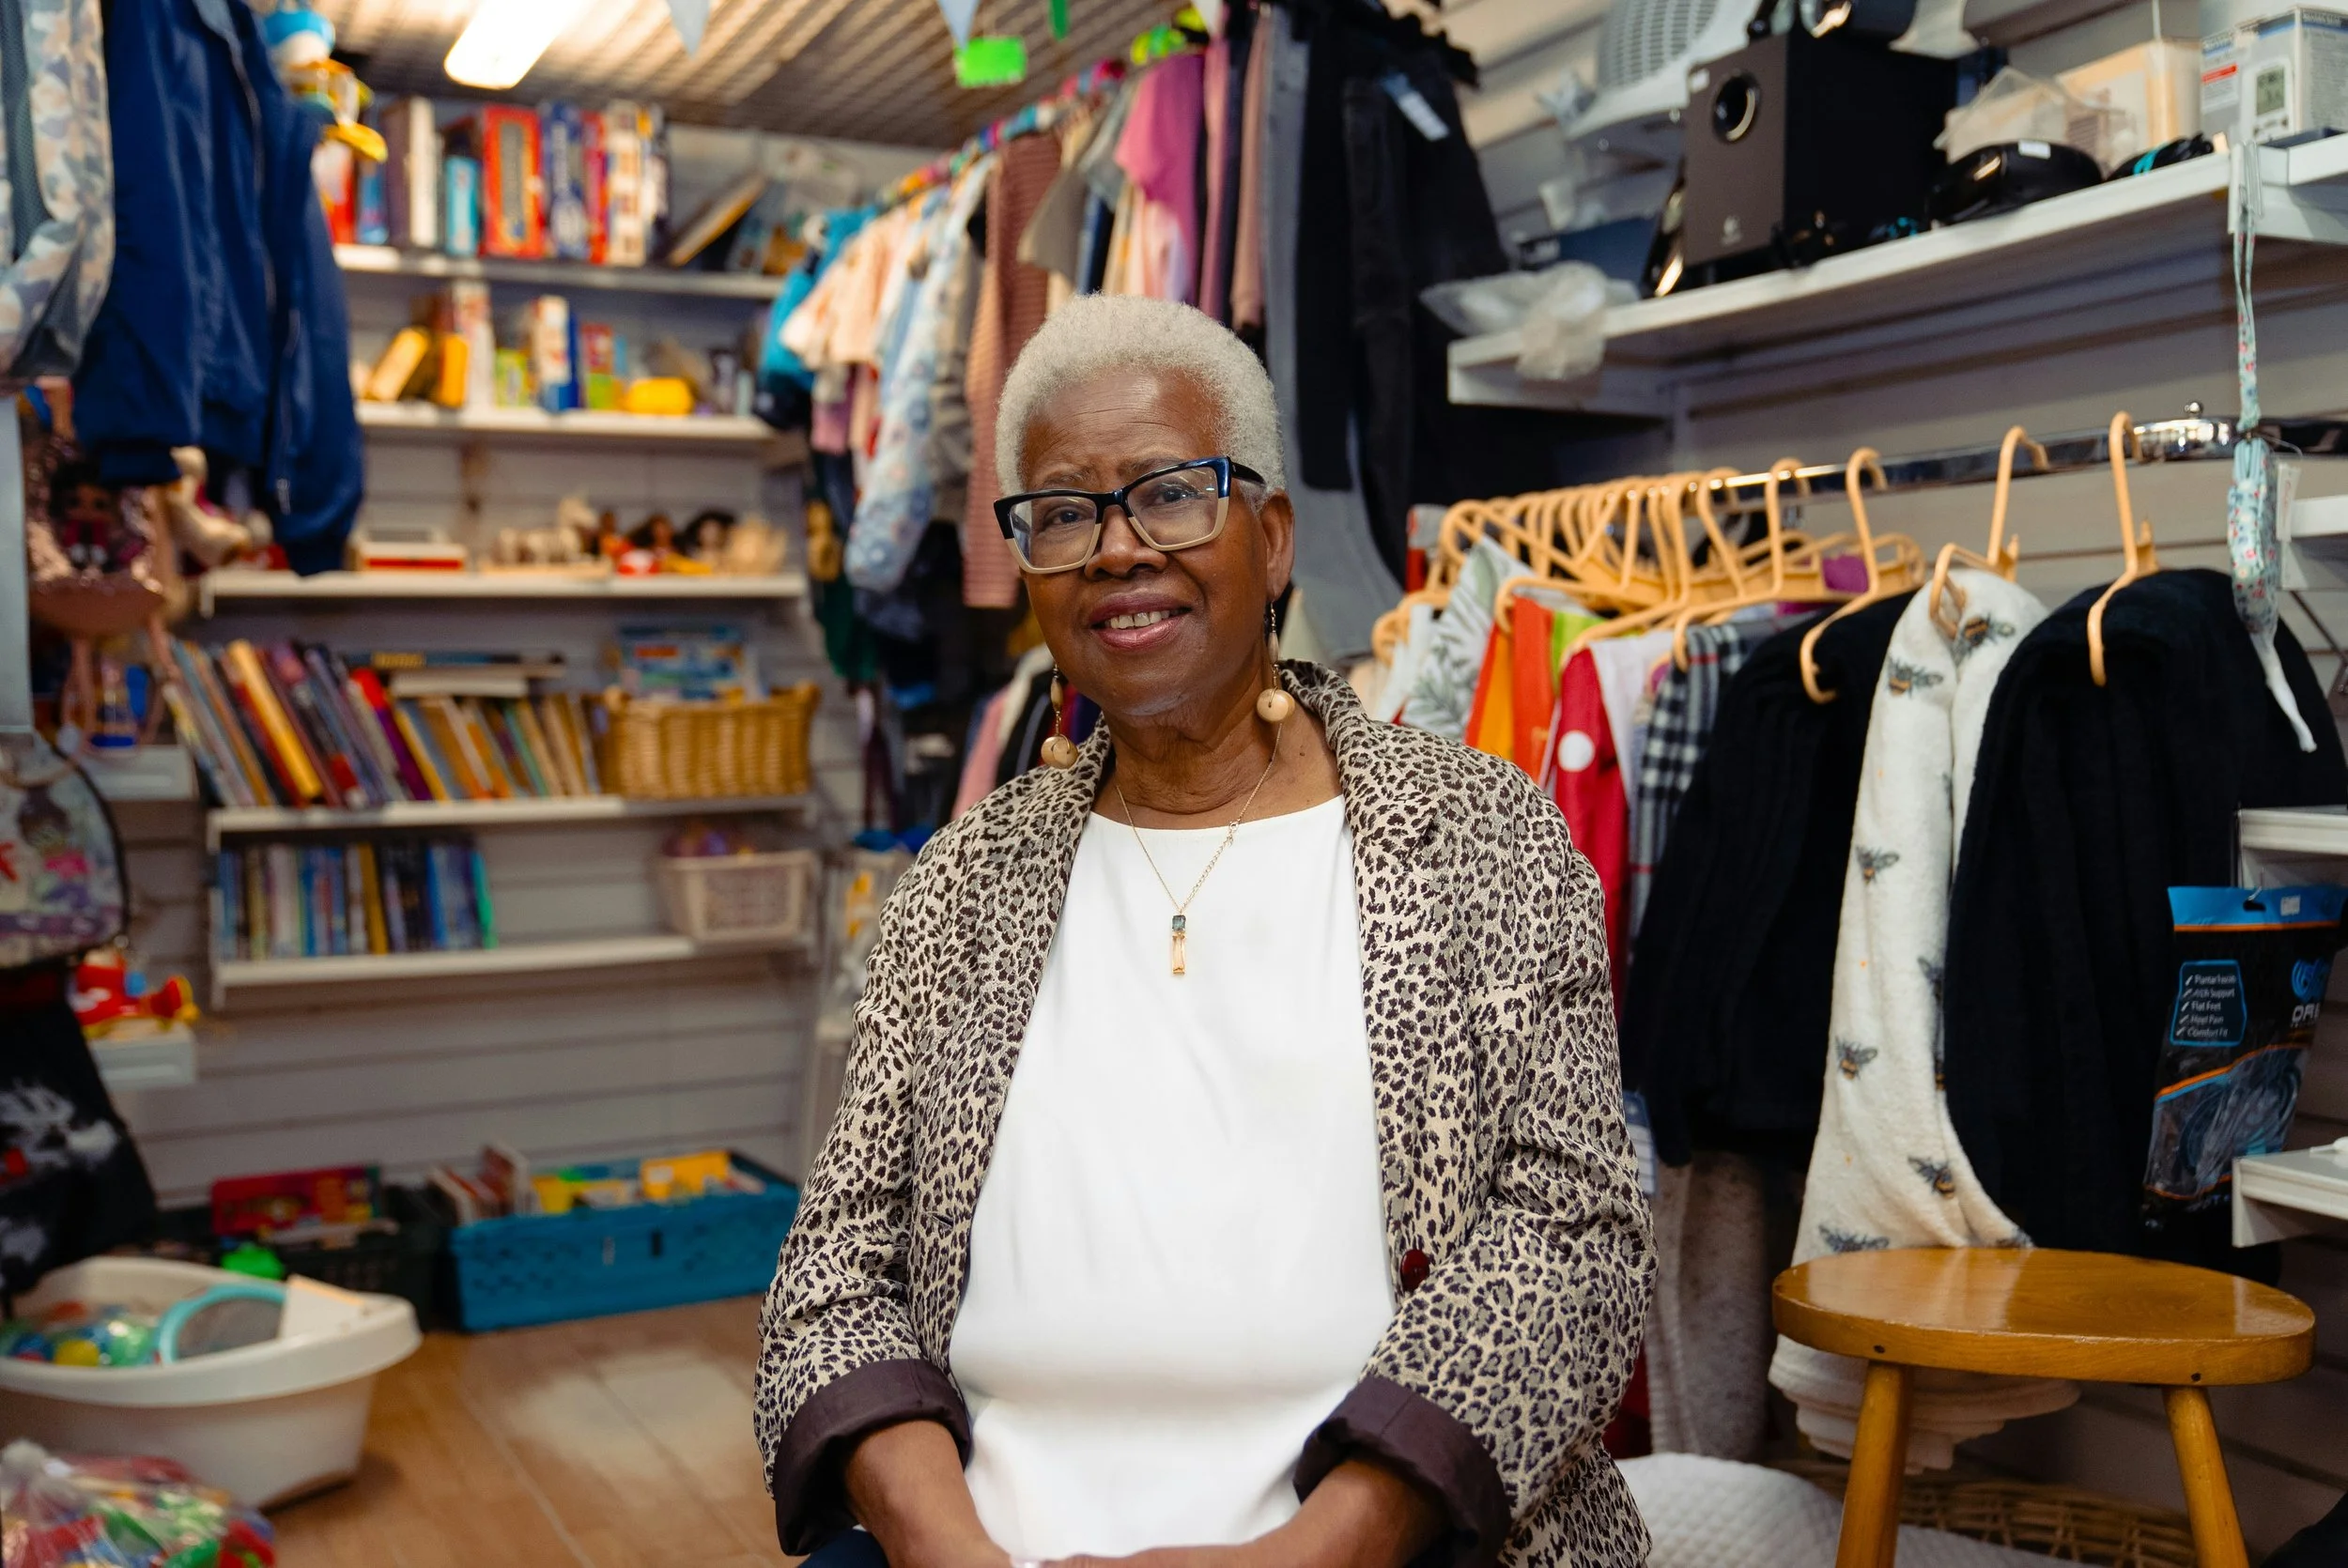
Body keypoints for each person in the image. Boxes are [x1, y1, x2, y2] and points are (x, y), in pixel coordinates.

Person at [755, 293, 1653, 1568]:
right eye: (1065, 512)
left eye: (1172, 493)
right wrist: (941, 1540)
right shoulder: (963, 885)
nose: (1118, 549)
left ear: (1273, 537)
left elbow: (1573, 1239)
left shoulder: (1478, 842)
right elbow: (832, 1267)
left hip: (1393, 1542)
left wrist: (1318, 1551)